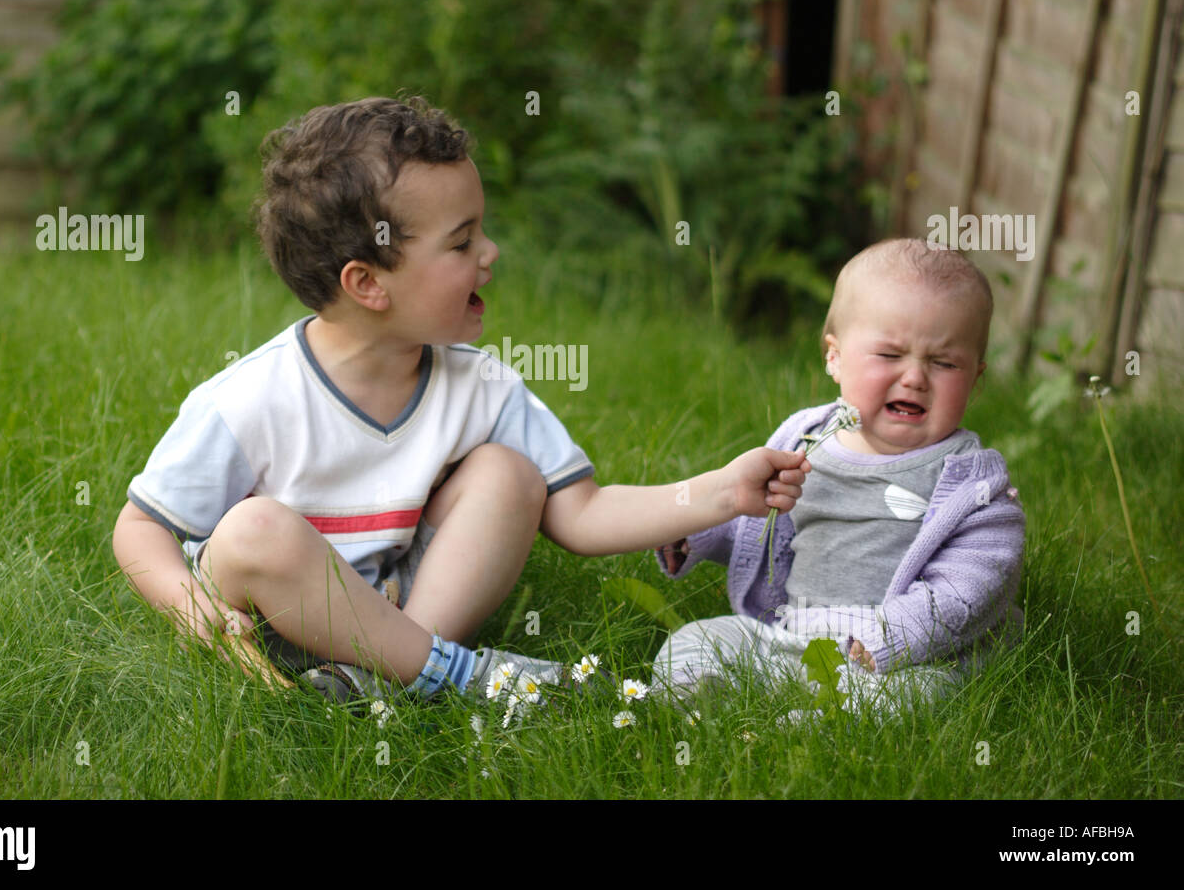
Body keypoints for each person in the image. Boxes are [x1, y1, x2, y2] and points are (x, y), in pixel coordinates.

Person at [111, 94, 811, 704]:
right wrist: (190, 609)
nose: (491, 253)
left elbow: (582, 512)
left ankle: (397, 675)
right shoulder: (251, 397)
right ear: (368, 284)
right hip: (273, 627)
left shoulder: (481, 384)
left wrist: (720, 492)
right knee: (257, 529)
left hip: (403, 613)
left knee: (510, 473)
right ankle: (460, 676)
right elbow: (139, 529)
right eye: (461, 242)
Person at [652, 237, 1025, 719]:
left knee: (917, 695)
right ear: (835, 357)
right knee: (697, 640)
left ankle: (821, 725)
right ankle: (699, 697)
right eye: (890, 355)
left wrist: (892, 637)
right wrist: (698, 531)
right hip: (791, 632)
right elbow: (760, 523)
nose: (914, 377)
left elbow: (973, 585)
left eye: (943, 363)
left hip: (899, 658)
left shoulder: (971, 485)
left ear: (974, 379)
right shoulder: (805, 439)